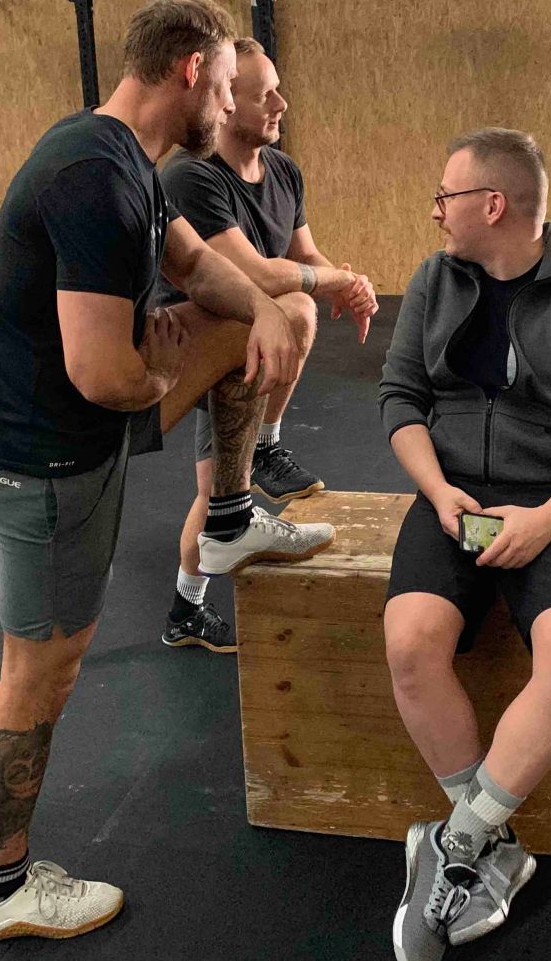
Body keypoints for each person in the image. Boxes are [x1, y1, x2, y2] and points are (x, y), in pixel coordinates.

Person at [0, 0, 336, 944]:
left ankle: (228, 518)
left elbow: (200, 269)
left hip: (82, 423)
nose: (235, 102)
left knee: (246, 319)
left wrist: (266, 310)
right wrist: (166, 369)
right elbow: (103, 374)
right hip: (48, 458)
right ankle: (0, 888)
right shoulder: (96, 177)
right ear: (192, 73)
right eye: (229, 84)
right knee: (42, 673)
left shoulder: (131, 158)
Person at [378, 128, 551, 960]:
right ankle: (490, 847)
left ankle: (459, 841)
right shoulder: (434, 280)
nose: (435, 211)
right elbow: (400, 399)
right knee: (410, 643)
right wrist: (438, 492)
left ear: (492, 205)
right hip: (452, 493)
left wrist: (546, 520)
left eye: (446, 196)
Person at [154, 37, 378, 653]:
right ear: (228, 106)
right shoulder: (192, 177)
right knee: (297, 307)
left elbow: (305, 256)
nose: (282, 104)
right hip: (202, 342)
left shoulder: (282, 170)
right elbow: (253, 274)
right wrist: (331, 283)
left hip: (252, 335)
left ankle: (185, 611)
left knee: (219, 494)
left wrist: (349, 284)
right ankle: (264, 448)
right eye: (265, 95)